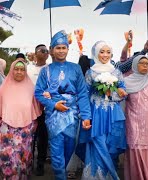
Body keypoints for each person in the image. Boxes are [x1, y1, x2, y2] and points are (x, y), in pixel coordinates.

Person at [34, 30, 91, 180]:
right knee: (56, 152)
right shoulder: (45, 71)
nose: (61, 50)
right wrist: (53, 105)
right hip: (54, 116)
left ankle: (62, 173)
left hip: (72, 116)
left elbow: (83, 94)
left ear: (67, 49)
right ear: (52, 50)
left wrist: (86, 116)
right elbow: (38, 93)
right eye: (57, 48)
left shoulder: (76, 68)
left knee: (69, 149)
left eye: (63, 47)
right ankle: (60, 176)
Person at [77, 40, 127, 180]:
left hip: (112, 113)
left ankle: (108, 174)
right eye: (102, 51)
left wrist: (116, 93)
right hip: (96, 112)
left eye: (108, 52)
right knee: (97, 142)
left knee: (110, 143)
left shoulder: (116, 71)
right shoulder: (90, 72)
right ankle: (95, 175)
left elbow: (123, 91)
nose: (105, 55)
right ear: (96, 53)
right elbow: (84, 94)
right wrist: (84, 115)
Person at [0, 60, 42, 179]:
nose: (19, 72)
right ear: (12, 70)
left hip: (25, 133)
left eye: (22, 69)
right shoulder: (2, 91)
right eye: (16, 69)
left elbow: (35, 111)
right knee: (7, 161)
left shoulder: (32, 90)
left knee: (24, 162)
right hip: (6, 132)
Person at [27, 44, 49, 176]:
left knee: (43, 138)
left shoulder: (50, 69)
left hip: (45, 109)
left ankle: (40, 163)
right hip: (29, 109)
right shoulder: (28, 69)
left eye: (47, 51)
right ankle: (28, 163)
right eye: (42, 50)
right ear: (36, 53)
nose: (45, 52)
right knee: (30, 137)